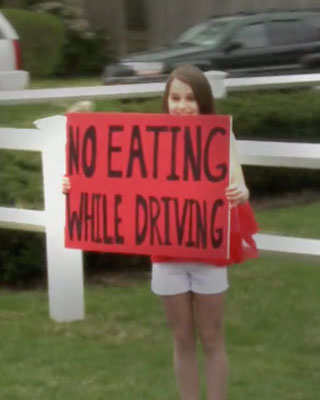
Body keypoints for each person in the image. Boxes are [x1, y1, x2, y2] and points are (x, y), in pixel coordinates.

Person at [63, 64, 258, 400]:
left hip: (209, 253)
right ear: (166, 101)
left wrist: (239, 194)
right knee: (182, 340)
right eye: (176, 98)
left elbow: (241, 185)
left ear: (204, 102)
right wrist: (76, 185)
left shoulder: (221, 137)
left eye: (191, 99)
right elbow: (114, 177)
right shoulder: (152, 137)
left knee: (211, 338)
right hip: (167, 255)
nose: (183, 106)